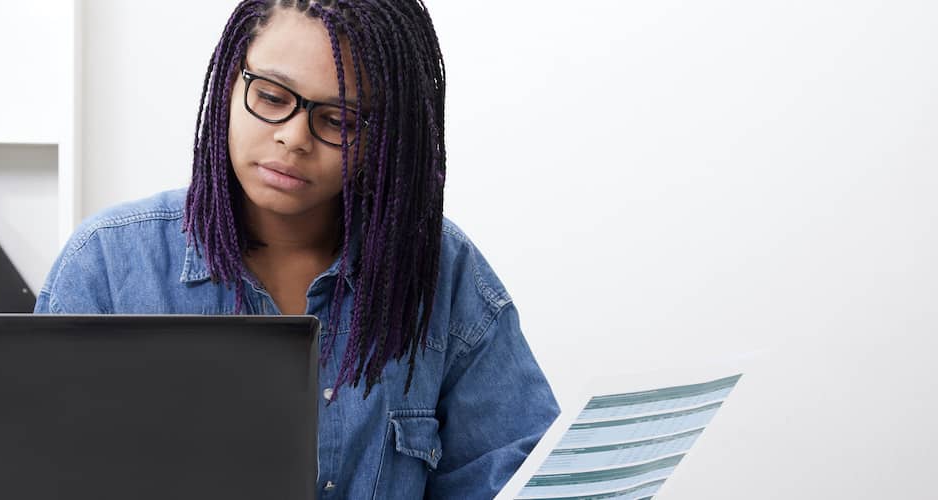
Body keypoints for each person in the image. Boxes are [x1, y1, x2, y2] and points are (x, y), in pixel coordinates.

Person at [35, 0, 558, 497]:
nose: (293, 138)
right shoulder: (106, 265)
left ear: (387, 139)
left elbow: (520, 477)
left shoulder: (443, 274)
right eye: (270, 97)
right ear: (228, 83)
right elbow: (35, 475)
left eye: (339, 121)